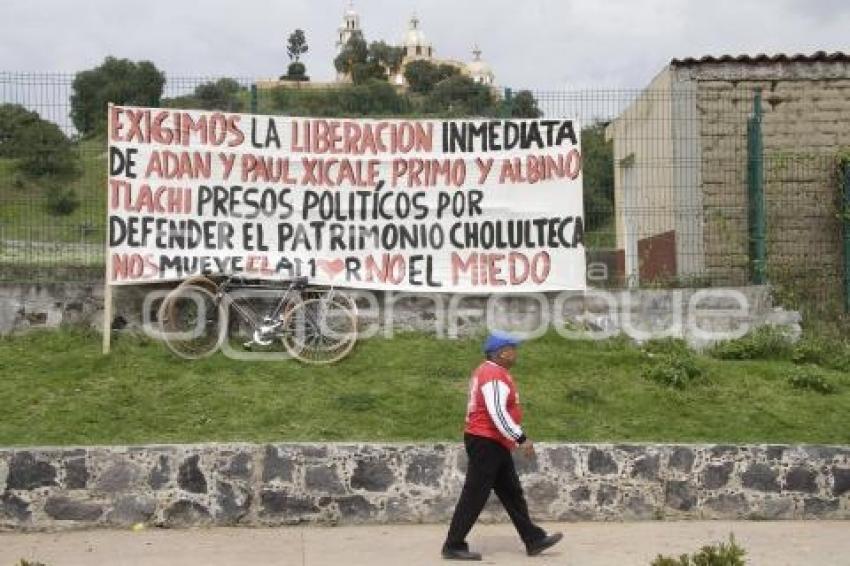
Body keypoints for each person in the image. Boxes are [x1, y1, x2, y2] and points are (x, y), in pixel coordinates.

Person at [441, 332, 563, 561]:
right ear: (501, 353)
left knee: (511, 492)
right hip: (486, 441)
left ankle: (533, 539)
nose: (515, 353)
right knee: (475, 493)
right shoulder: (493, 375)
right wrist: (520, 437)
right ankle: (453, 544)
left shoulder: (491, 372)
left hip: (491, 441)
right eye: (512, 348)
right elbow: (497, 413)